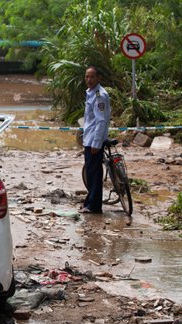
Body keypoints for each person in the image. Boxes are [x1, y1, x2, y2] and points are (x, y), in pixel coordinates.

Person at [80, 65, 111, 214]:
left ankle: (94, 206)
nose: (89, 79)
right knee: (92, 173)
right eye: (87, 76)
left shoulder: (100, 95)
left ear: (99, 78)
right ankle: (90, 201)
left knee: (94, 173)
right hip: (89, 137)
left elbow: (101, 121)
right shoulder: (91, 93)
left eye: (92, 76)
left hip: (94, 140)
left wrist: (96, 143)